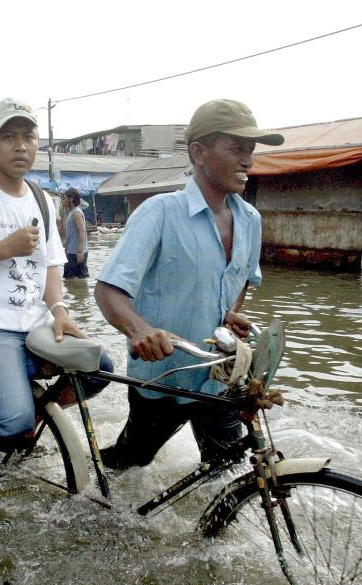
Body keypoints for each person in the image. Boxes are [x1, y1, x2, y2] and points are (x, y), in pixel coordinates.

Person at [93, 99, 284, 470]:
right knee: (133, 461)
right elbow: (108, 291)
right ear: (199, 152)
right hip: (166, 374)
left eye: (250, 151)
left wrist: (230, 314)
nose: (247, 161)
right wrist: (140, 331)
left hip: (218, 374)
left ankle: (216, 525)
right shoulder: (159, 213)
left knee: (226, 469)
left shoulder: (250, 220)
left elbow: (240, 280)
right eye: (236, 149)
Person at [0, 98, 111, 461]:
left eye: (28, 136)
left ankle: (36, 411)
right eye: (8, 136)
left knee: (100, 367)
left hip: (35, 325)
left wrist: (59, 309)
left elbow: (51, 265)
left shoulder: (42, 199)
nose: (20, 145)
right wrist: (5, 248)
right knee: (11, 421)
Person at [61, 188, 88, 279]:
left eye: (64, 198)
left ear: (71, 199)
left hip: (75, 253)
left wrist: (80, 251)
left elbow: (82, 231)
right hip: (71, 252)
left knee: (75, 281)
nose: (62, 201)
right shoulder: (71, 212)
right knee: (71, 282)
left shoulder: (76, 212)